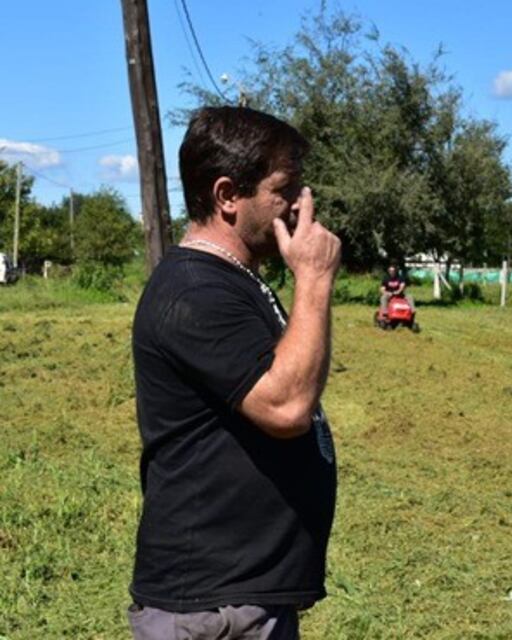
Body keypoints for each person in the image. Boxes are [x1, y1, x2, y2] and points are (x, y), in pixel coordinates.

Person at [129, 106, 342, 639]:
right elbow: (287, 405)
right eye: (284, 188)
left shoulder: (231, 280)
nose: (299, 204)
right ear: (227, 196)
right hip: (211, 610)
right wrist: (313, 280)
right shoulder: (194, 292)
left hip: (240, 597)